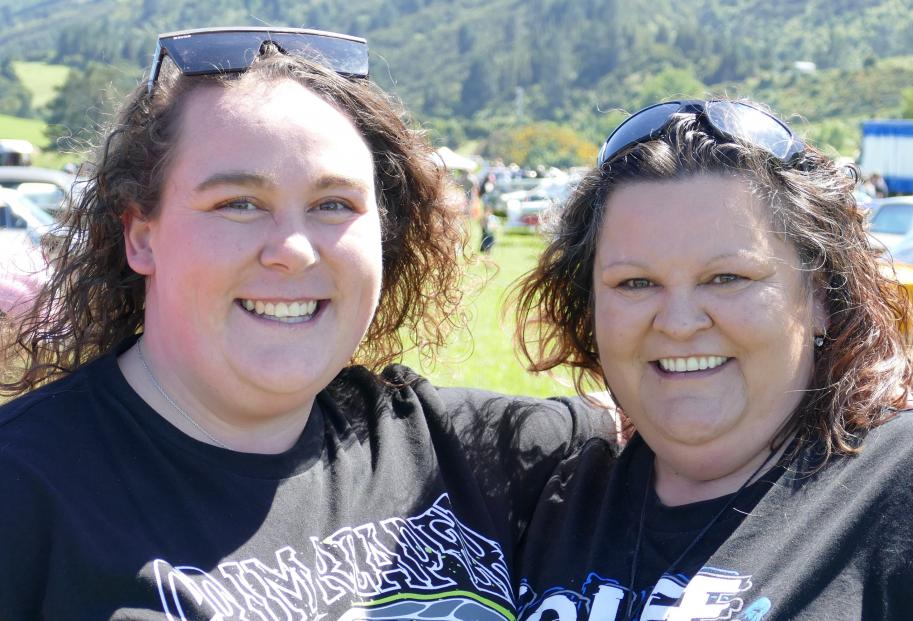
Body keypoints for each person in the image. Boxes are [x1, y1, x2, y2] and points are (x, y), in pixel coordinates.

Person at [0, 27, 610, 619]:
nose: (293, 248)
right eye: (238, 203)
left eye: (333, 204)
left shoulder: (473, 454)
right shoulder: (24, 487)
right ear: (141, 237)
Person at [512, 100, 913, 620]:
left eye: (727, 278)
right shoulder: (539, 484)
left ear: (820, 297)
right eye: (635, 283)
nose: (678, 322)